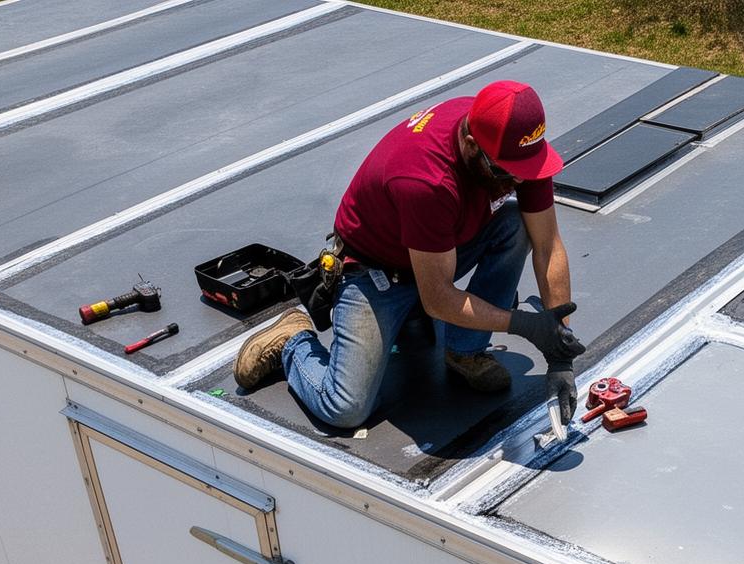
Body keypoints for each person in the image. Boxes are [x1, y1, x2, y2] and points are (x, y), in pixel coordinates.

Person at [233, 80, 586, 429]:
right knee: (345, 408)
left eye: (526, 172)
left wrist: (559, 352)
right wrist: (525, 325)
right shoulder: (426, 181)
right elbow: (438, 298)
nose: (520, 183)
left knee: (518, 224)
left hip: (436, 250)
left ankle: (463, 349)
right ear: (471, 145)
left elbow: (548, 245)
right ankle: (292, 342)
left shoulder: (513, 145)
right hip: (376, 271)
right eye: (506, 174)